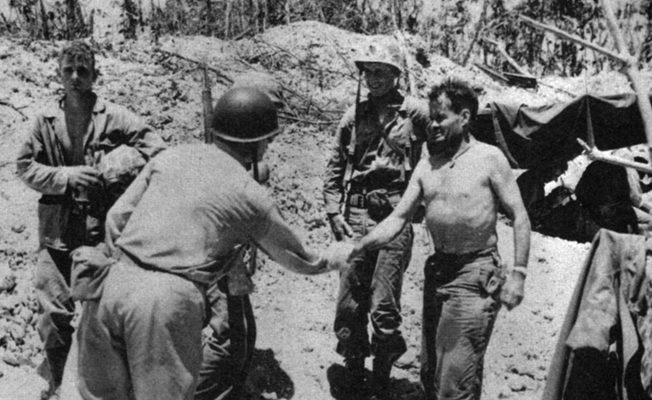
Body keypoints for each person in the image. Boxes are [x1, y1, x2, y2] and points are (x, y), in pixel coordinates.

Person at [75, 87, 352, 400]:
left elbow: (115, 218)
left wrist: (129, 272)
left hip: (110, 284)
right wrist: (333, 258)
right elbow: (296, 258)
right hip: (162, 302)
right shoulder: (249, 195)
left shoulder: (170, 156)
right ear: (262, 141)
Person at [347, 78, 531, 400]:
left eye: (440, 117)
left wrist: (519, 274)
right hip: (438, 272)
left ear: (464, 117)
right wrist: (359, 245)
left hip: (475, 273)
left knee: (454, 382)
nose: (431, 125)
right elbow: (398, 218)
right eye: (430, 117)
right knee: (431, 375)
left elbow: (520, 216)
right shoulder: (426, 164)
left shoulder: (489, 159)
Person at [15, 40, 165, 400]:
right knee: (53, 316)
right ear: (59, 74)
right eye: (69, 70)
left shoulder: (116, 118)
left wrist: (121, 164)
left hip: (103, 235)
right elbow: (24, 166)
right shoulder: (44, 121)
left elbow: (158, 152)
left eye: (84, 70)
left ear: (96, 75)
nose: (76, 77)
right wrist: (66, 177)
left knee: (106, 317)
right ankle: (60, 385)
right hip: (57, 235)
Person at [322, 41, 430, 397]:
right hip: (355, 215)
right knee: (350, 304)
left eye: (381, 72)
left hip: (394, 215)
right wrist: (333, 211)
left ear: (397, 75)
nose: (373, 79)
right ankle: (354, 377)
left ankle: (382, 380)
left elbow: (445, 145)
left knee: (384, 306)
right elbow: (335, 165)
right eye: (368, 72)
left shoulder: (416, 113)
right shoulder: (354, 115)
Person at [194, 71, 285, 400]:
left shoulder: (247, 160)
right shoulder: (217, 161)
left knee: (243, 333)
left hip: (232, 259)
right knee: (228, 336)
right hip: (215, 260)